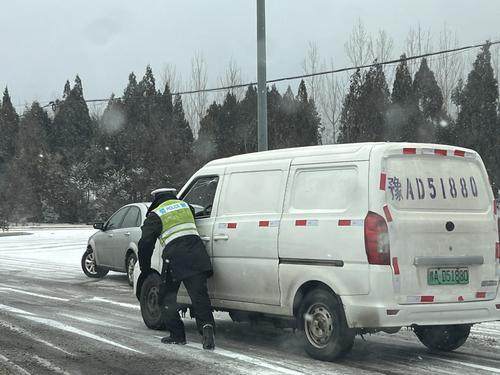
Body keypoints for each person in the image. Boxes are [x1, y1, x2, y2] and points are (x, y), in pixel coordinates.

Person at [138, 188, 215, 350]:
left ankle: (177, 335)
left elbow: (145, 243)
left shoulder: (156, 214)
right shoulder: (186, 206)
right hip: (197, 254)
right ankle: (207, 330)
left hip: (175, 258)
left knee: (166, 297)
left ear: (155, 199)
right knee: (199, 296)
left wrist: (145, 269)